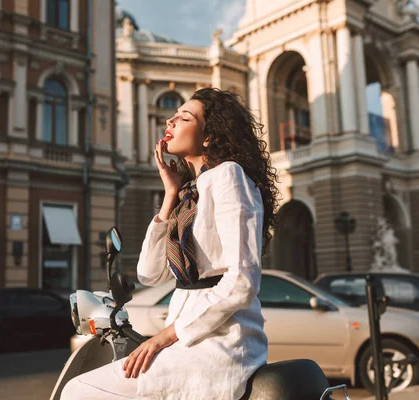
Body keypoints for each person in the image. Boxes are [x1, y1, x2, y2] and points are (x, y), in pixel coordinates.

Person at [61, 88, 280, 399]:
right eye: (173, 114)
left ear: (209, 137)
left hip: (221, 343)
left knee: (79, 389)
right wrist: (170, 195)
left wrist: (162, 338)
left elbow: (242, 281)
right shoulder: (190, 195)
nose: (170, 120)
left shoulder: (229, 176)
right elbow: (150, 274)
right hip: (187, 338)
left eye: (184, 117)